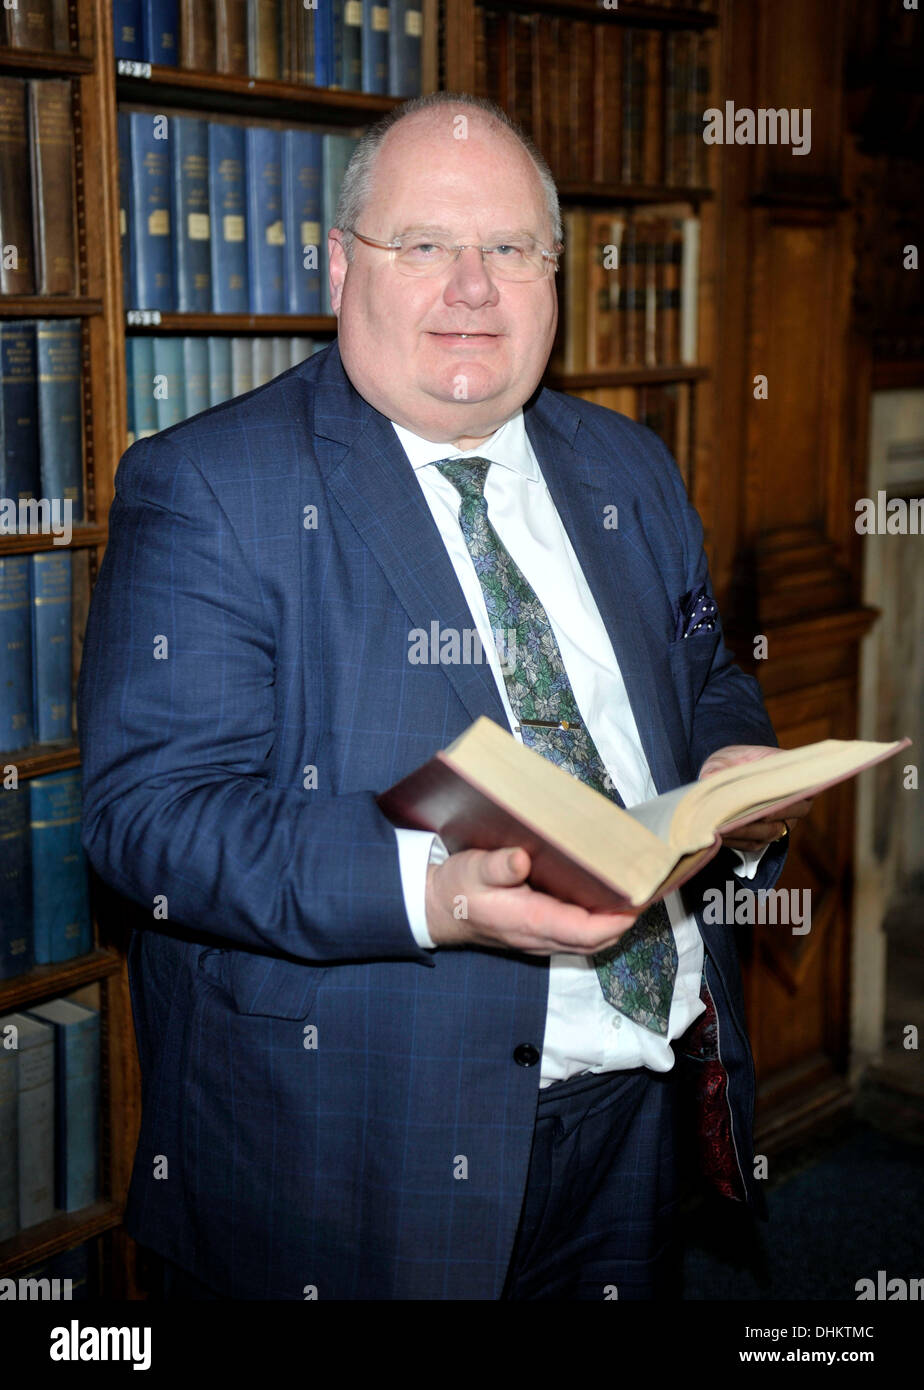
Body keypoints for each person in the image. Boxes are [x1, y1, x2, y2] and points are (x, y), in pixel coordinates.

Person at [77, 92, 809, 1301]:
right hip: (359, 1151)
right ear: (337, 267)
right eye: (424, 246)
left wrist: (737, 768)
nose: (473, 288)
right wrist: (441, 891)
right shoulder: (208, 487)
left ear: (556, 275)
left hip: (636, 1103)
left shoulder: (628, 463)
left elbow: (708, 674)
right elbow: (149, 821)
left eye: (511, 249)